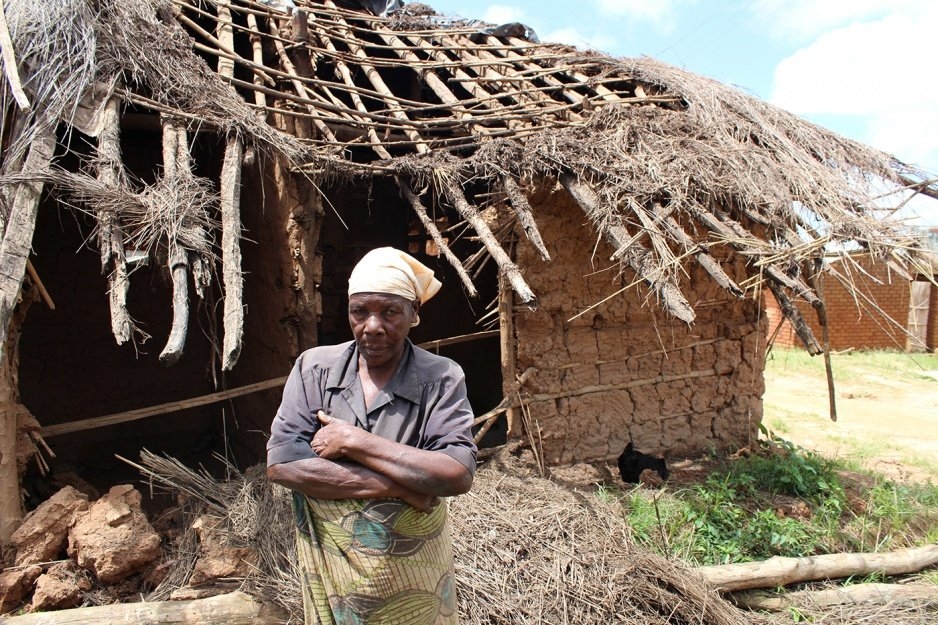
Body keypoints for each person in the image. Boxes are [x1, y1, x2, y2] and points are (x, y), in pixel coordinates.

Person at [267, 247, 477, 625]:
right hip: (333, 569)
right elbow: (282, 464)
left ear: (414, 313)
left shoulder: (441, 377)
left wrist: (355, 441)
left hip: (414, 569)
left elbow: (456, 474)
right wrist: (401, 486)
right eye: (360, 311)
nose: (373, 326)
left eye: (390, 312)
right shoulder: (314, 369)